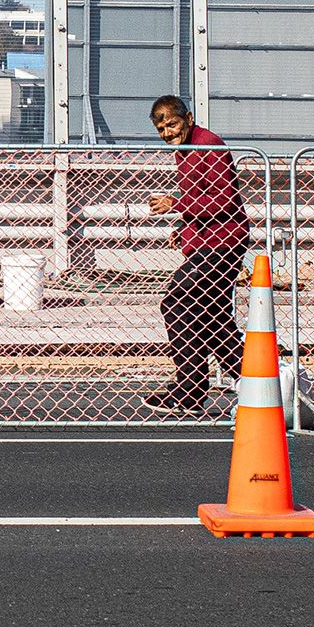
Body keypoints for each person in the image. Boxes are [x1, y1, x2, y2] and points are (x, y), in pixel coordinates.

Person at [140, 95, 247, 417]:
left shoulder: (207, 144)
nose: (167, 133)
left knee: (176, 302)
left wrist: (177, 206)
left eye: (171, 124)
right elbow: (202, 199)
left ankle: (189, 388)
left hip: (222, 245)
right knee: (212, 318)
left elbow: (224, 200)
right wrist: (185, 227)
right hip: (208, 242)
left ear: (188, 118)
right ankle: (255, 379)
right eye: (161, 128)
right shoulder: (186, 150)